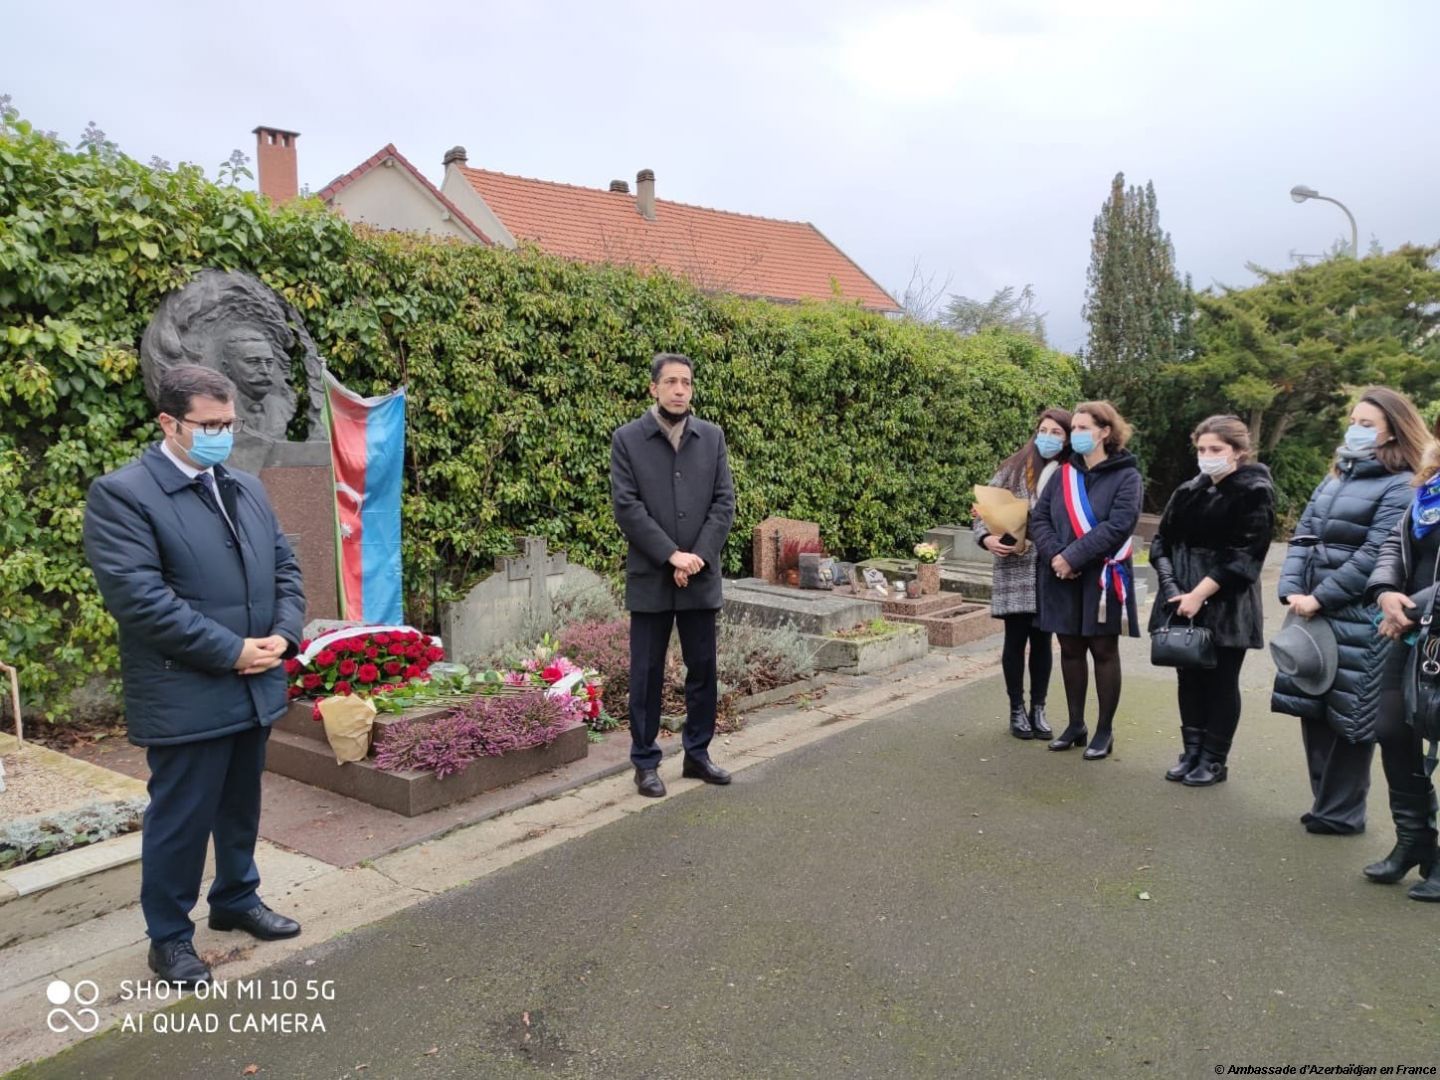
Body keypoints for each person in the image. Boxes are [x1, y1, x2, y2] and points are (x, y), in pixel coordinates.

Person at [82, 365, 306, 987]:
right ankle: (170, 938)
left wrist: (285, 636)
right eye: (208, 426)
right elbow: (140, 600)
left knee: (240, 806)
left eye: (229, 424)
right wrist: (231, 650)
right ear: (169, 423)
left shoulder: (243, 486)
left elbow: (285, 565)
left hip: (254, 680)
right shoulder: (123, 494)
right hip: (187, 688)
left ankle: (236, 898)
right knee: (181, 818)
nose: (222, 436)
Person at [1272, 387, 1429, 835]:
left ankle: (1342, 812)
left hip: (1359, 615)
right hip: (1312, 611)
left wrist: (1321, 597)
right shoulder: (1337, 475)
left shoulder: (1402, 484)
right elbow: (1303, 536)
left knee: (1350, 715)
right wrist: (1290, 590)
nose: (1355, 431)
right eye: (1353, 421)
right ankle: (1324, 802)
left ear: (1393, 432)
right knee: (1312, 703)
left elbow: (1377, 555)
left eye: (1367, 425)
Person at [610, 353, 736, 798]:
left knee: (702, 670)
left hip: (699, 577)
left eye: (686, 382)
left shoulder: (712, 438)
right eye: (671, 382)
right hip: (652, 578)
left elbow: (724, 504)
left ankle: (697, 755)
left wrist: (696, 557)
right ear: (654, 389)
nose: (680, 389)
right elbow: (627, 508)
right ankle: (645, 762)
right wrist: (671, 556)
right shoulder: (627, 440)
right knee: (646, 673)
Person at [1148, 416, 1276, 785]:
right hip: (1179, 598)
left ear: (1238, 451)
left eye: (1216, 449)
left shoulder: (1254, 491)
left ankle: (1214, 759)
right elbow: (1161, 543)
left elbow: (1246, 553)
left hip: (1226, 603)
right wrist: (1173, 590)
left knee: (1220, 681)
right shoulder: (1188, 490)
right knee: (1187, 678)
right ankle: (1191, 752)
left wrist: (1201, 593)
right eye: (1202, 449)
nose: (1207, 456)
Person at [1030, 401, 1143, 760]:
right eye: (1074, 428)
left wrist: (1072, 557)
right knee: (1070, 649)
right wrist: (1056, 557)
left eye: (1082, 428)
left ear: (1105, 432)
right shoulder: (1064, 473)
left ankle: (1104, 730)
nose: (1075, 434)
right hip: (1061, 574)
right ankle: (1076, 724)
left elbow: (1118, 525)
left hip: (1102, 577)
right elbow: (1039, 519)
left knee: (1103, 651)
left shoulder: (1127, 476)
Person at [1364, 435, 1440, 901]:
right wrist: (1385, 592)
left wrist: (1412, 609)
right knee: (1391, 729)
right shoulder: (1429, 489)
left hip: (1417, 620)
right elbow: (1395, 544)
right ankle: (1416, 842)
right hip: (1414, 632)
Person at [973, 408, 1073, 740]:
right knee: (1015, 640)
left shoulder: (1071, 472)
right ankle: (1016, 709)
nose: (1048, 437)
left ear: (1068, 438)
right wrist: (986, 538)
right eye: (1043, 430)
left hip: (1049, 568)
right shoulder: (1013, 468)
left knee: (1043, 641)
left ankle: (1039, 708)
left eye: (1057, 432)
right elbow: (982, 510)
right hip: (1014, 564)